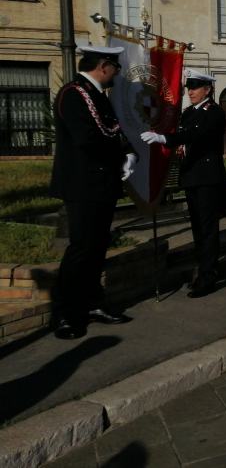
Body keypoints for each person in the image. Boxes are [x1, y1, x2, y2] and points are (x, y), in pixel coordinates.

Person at [50, 46, 135, 339]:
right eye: (116, 68)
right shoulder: (73, 94)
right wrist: (119, 154)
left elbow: (114, 131)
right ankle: (64, 312)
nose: (118, 74)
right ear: (104, 66)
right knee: (81, 248)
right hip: (82, 184)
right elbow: (87, 138)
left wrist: (130, 153)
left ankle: (93, 303)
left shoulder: (97, 95)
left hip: (102, 184)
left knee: (97, 247)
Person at [142, 69, 226, 298]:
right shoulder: (188, 112)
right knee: (198, 228)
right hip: (191, 175)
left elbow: (196, 135)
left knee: (208, 228)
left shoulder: (214, 112)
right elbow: (183, 132)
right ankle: (203, 269)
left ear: (207, 89)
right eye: (189, 88)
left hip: (208, 177)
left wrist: (164, 139)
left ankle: (208, 276)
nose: (190, 92)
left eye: (195, 88)